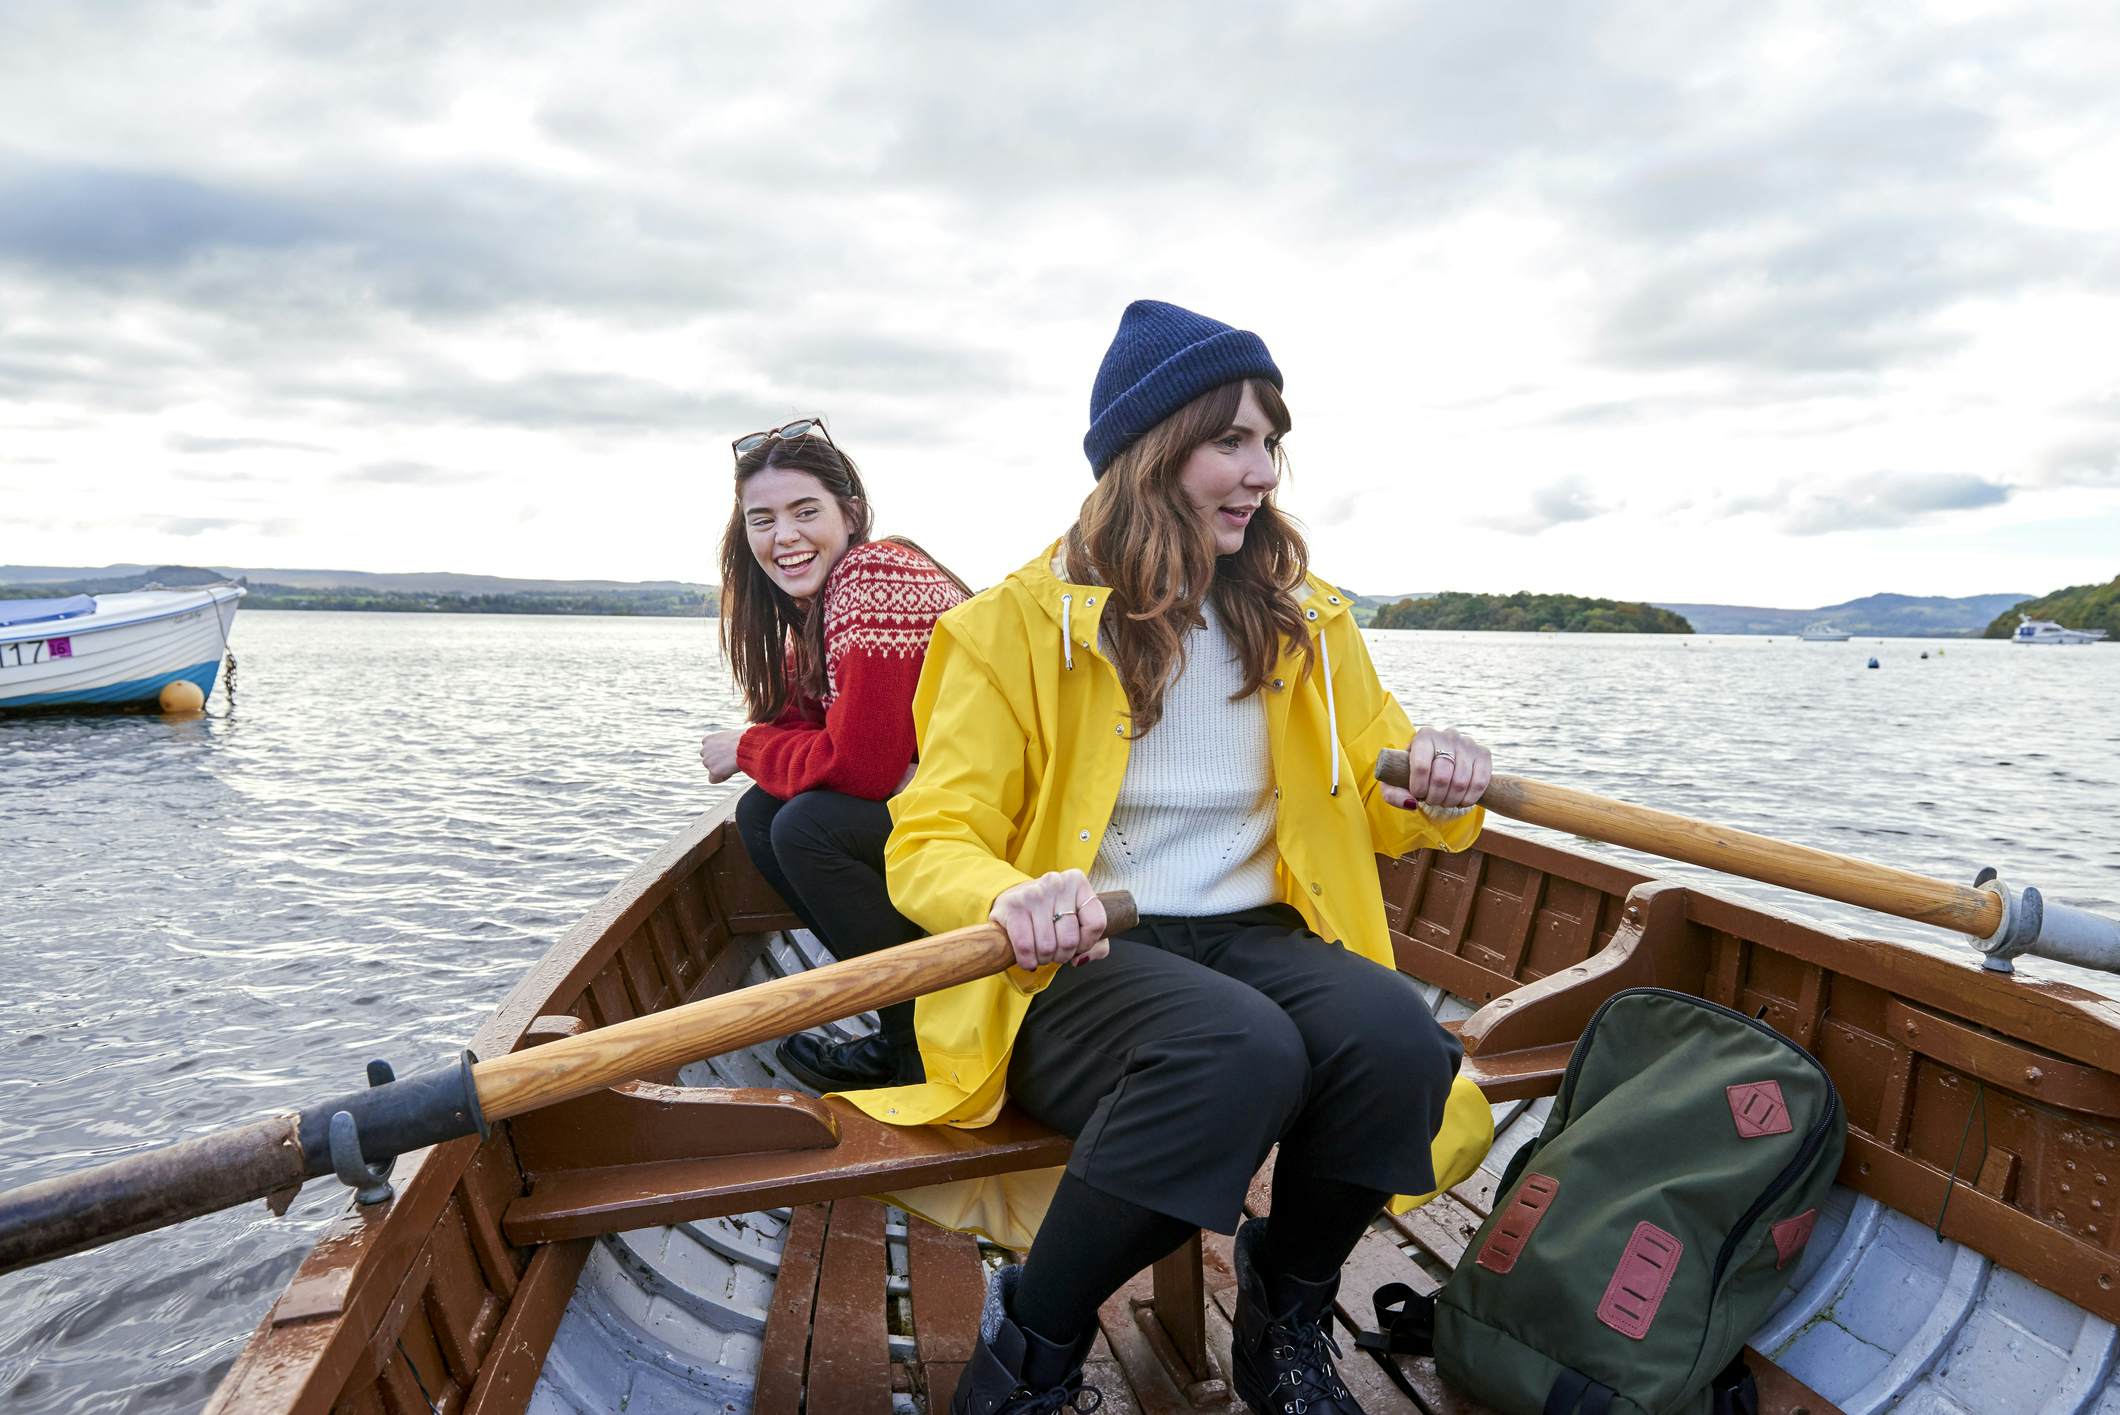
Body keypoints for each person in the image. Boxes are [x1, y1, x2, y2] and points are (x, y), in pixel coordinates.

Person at [856, 302, 1497, 1415]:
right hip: (1077, 960)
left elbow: (1380, 799)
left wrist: (1435, 775)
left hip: (1255, 935)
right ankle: (1028, 1354)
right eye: (1229, 442)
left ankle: (1284, 1311)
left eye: (1268, 442)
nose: (1259, 472)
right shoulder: (1008, 628)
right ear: (1148, 455)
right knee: (1234, 1050)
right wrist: (1013, 892)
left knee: (1395, 1034)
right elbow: (928, 837)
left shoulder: (1307, 620)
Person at [699, 415, 971, 1092]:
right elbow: (808, 731)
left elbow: (858, 767)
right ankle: (903, 1025)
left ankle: (923, 1040)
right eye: (762, 519)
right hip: (956, 812)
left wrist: (746, 745)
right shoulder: (823, 609)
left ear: (850, 512)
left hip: (1006, 823)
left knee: (805, 824)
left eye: (804, 511)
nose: (782, 536)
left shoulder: (874, 576)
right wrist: (769, 746)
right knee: (765, 812)